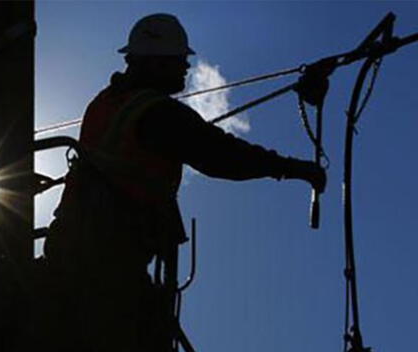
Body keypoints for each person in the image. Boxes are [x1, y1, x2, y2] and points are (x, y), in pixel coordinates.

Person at [41, 13, 326, 352]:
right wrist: (294, 168)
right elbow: (221, 155)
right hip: (109, 266)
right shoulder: (156, 114)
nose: (185, 69)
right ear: (157, 62)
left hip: (72, 252)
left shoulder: (106, 103)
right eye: (179, 62)